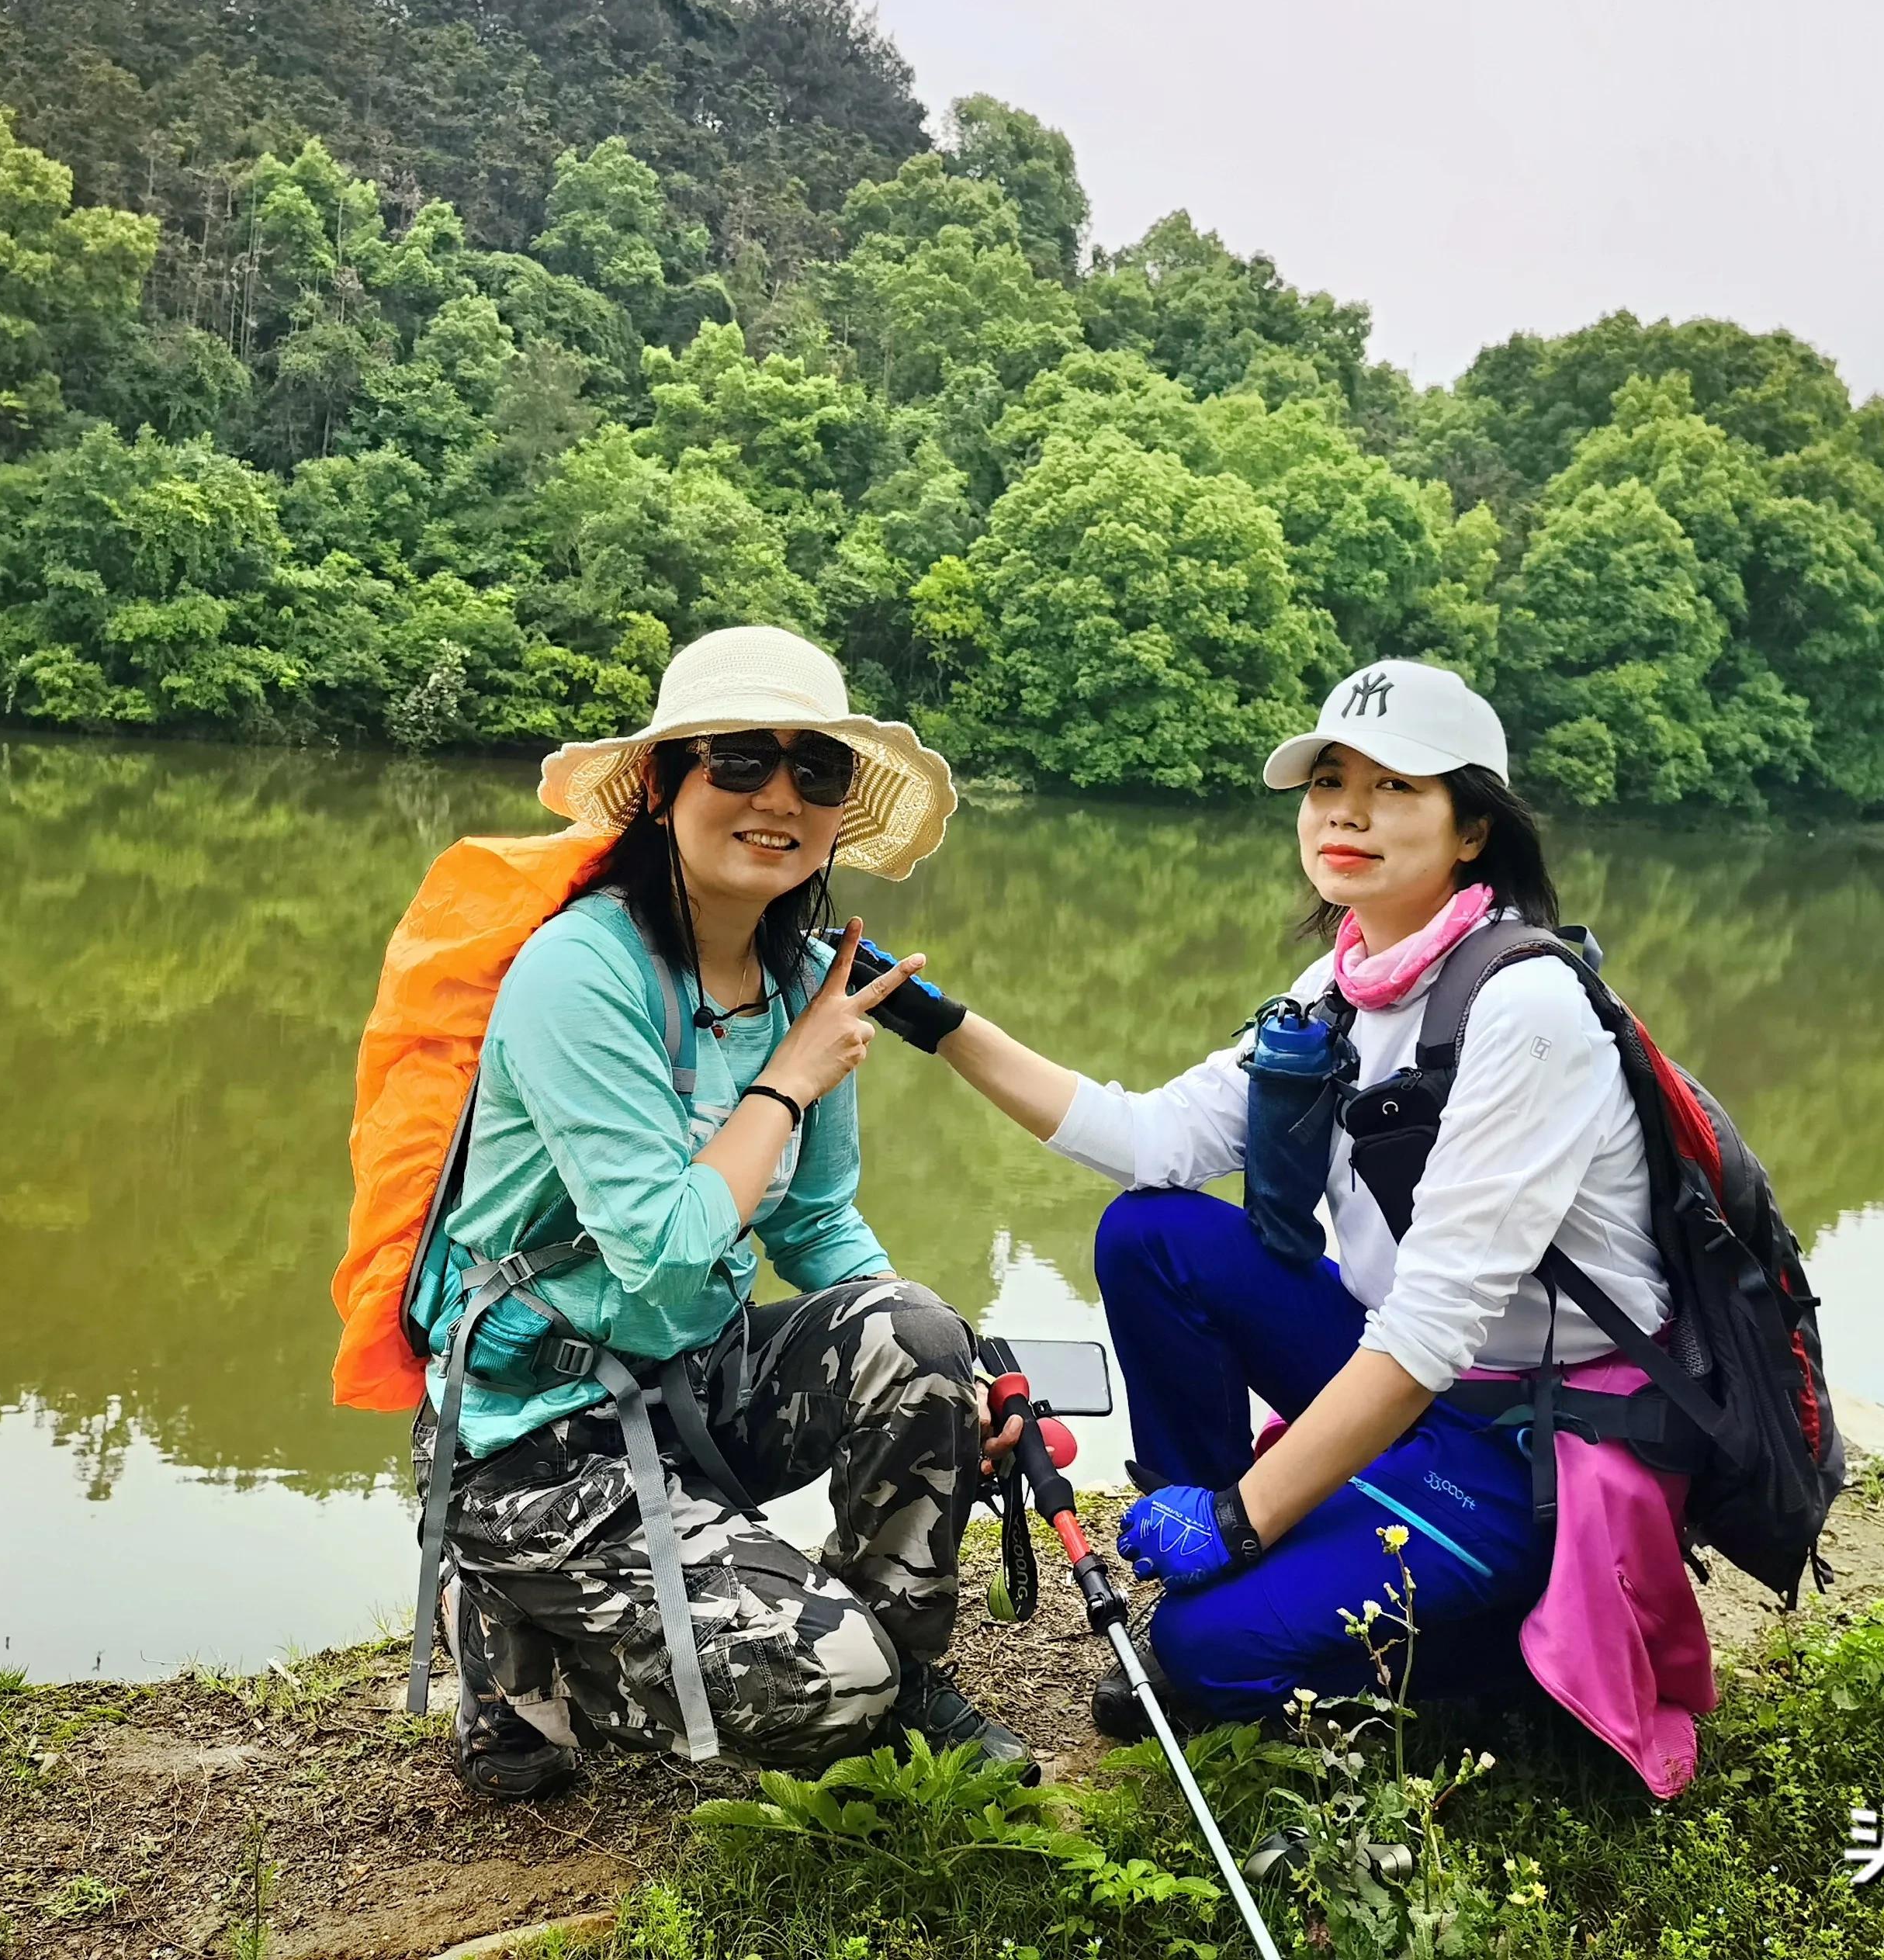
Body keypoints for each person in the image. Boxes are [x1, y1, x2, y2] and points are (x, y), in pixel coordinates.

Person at [922, 660, 1715, 1768]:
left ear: (1472, 827)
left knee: (1205, 1656)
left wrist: (1243, 1515)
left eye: (1396, 787)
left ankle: (1512, 1644)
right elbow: (1152, 1140)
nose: (1346, 809)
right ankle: (1234, 1546)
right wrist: (939, 1023)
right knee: (1155, 1235)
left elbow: (1432, 1330)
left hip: (1525, 1434)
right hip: (1416, 1382)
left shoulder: (1526, 1007)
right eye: (1328, 780)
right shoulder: (1336, 993)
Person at [412, 625, 1027, 1796]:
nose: (778, 796)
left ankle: (909, 1671)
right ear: (663, 784)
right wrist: (790, 1076)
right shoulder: (580, 972)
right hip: (530, 1434)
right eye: (739, 759)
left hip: (685, 1389)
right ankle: (506, 1630)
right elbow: (663, 1248)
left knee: (925, 1332)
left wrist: (957, 1375)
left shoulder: (802, 977)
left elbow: (820, 1229)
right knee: (830, 1688)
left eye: (817, 770)